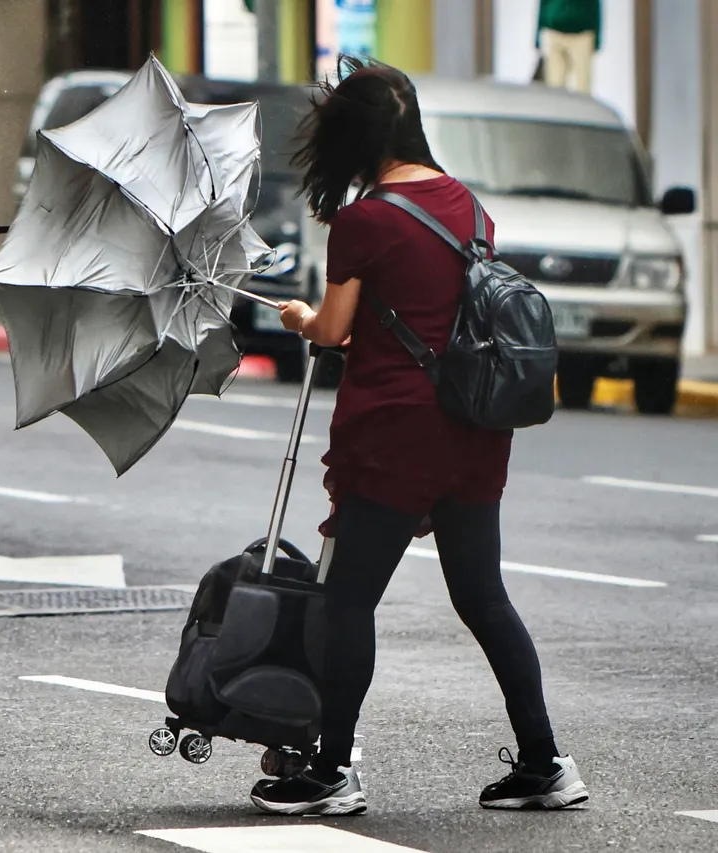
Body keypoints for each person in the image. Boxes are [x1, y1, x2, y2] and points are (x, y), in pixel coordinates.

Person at [249, 55, 588, 816]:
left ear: (355, 142)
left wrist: (304, 320)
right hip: (475, 427)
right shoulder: (467, 205)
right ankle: (544, 761)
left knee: (347, 600)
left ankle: (332, 769)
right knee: (481, 593)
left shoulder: (362, 220)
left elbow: (335, 329)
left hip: (397, 433)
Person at [536, 0, 600, 93]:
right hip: (553, 31)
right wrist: (538, 37)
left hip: (582, 34)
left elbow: (596, 4)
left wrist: (597, 39)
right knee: (554, 84)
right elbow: (543, 3)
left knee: (582, 84)